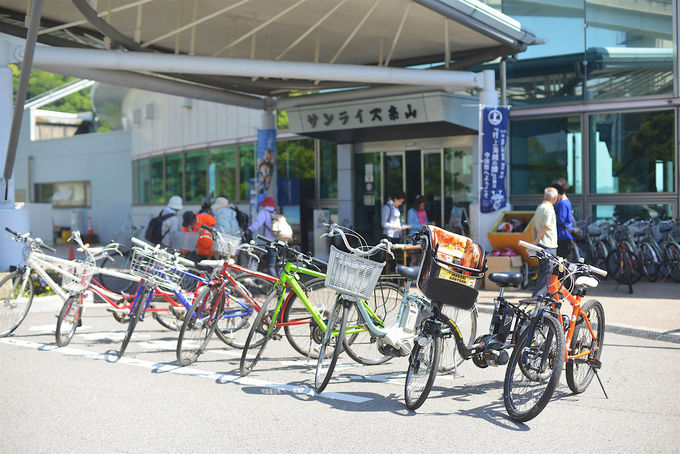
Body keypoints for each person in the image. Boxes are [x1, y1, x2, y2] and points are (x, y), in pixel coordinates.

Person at [531, 187, 558, 298]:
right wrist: (537, 240)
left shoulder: (540, 207)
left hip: (540, 245)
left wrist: (535, 240)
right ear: (555, 198)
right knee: (548, 272)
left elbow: (533, 226)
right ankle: (540, 296)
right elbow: (545, 226)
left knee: (542, 272)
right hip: (548, 245)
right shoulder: (549, 208)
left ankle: (540, 295)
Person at [247, 196, 278, 277]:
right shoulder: (275, 212)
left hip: (270, 242)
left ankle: (278, 286)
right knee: (274, 264)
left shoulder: (264, 212)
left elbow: (257, 224)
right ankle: (272, 283)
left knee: (270, 266)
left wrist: (249, 230)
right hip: (278, 241)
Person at [551, 178, 575, 259]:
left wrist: (551, 215)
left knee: (561, 264)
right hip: (566, 235)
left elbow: (561, 219)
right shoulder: (567, 201)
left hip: (562, 236)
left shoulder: (561, 203)